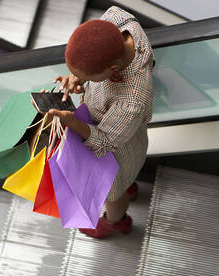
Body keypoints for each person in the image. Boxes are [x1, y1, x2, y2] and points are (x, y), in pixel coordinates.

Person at [48, 6, 154, 239]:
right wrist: (76, 79)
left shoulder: (132, 100)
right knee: (122, 185)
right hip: (119, 132)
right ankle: (129, 186)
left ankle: (116, 222)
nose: (81, 80)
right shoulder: (118, 20)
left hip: (118, 153)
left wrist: (71, 122)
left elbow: (105, 143)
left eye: (88, 77)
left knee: (112, 194)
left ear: (113, 69)